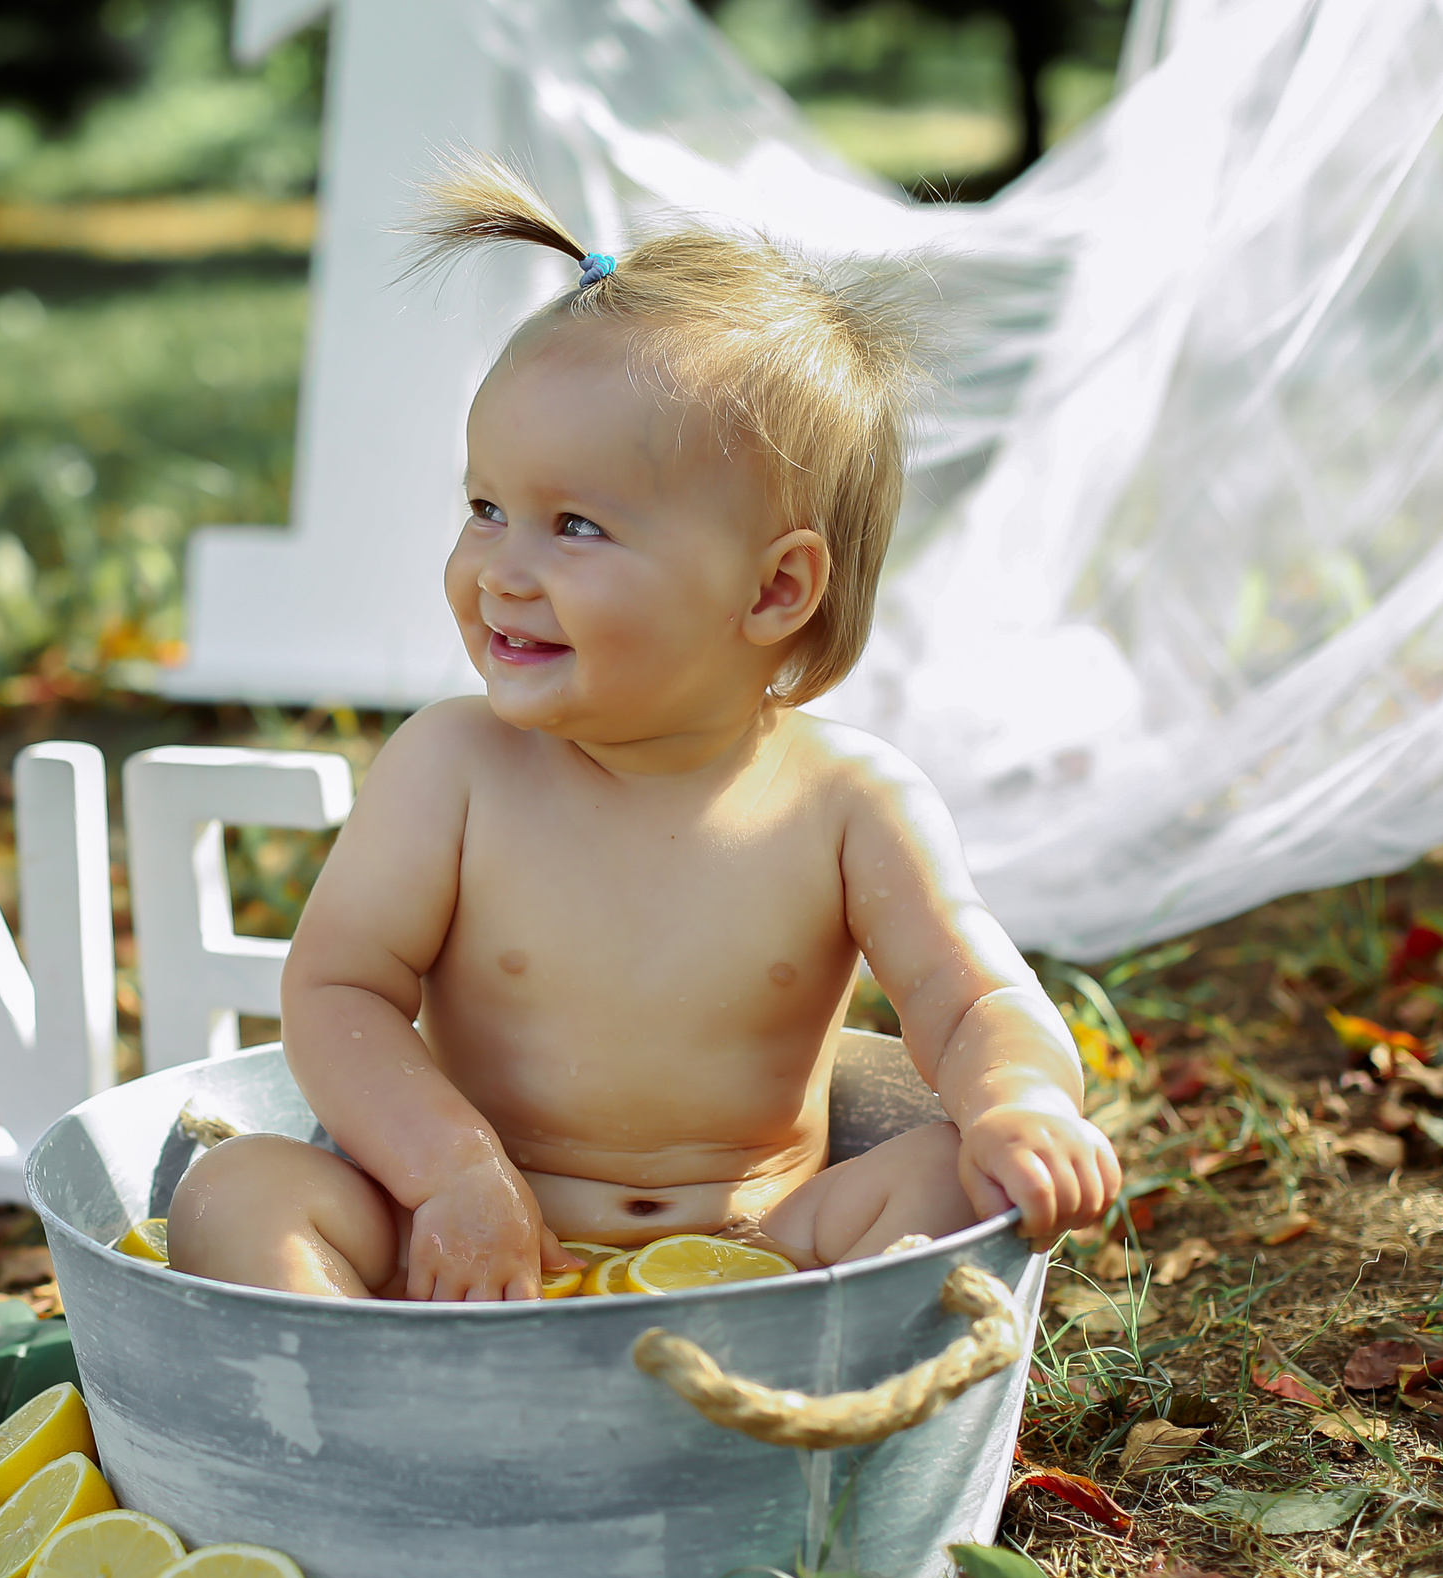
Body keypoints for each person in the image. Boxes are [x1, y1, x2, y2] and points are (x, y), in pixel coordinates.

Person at [171, 158, 1121, 1301]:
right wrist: (450, 1177)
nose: (499, 571)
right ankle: (379, 1421)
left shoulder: (846, 801)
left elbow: (972, 1000)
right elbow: (336, 994)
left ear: (773, 591)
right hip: (470, 1249)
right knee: (237, 1193)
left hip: (765, 1259)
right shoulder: (452, 768)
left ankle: (791, 1422)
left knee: (954, 1182)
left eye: (574, 525)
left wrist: (1014, 1102)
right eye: (484, 509)